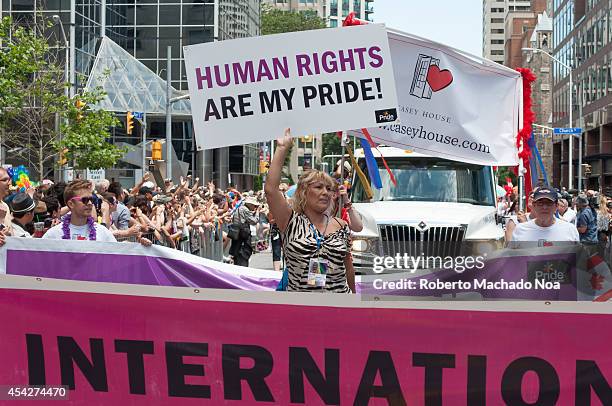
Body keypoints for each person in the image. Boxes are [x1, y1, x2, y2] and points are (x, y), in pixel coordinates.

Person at [265, 128, 353, 293]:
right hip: (301, 309)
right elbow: (271, 189)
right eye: (319, 187)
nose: (325, 192)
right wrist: (282, 148)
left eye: (328, 188)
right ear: (304, 192)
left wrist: (355, 305)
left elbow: (349, 268)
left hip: (339, 307)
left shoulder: (341, 226)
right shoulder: (290, 221)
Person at [43, 180, 117, 242]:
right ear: (71, 204)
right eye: (85, 200)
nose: (90, 203)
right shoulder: (54, 234)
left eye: (91, 199)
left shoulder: (103, 233)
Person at [510, 187, 579, 244]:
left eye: (549, 203)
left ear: (556, 206)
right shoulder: (520, 230)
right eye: (540, 203)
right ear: (534, 205)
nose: (544, 207)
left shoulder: (570, 230)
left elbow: (577, 258)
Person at [228, 196, 260, 266]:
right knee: (244, 253)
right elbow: (254, 221)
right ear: (250, 204)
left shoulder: (240, 208)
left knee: (237, 252)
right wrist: (257, 212)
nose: (255, 207)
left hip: (236, 233)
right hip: (243, 235)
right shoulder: (245, 210)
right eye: (254, 205)